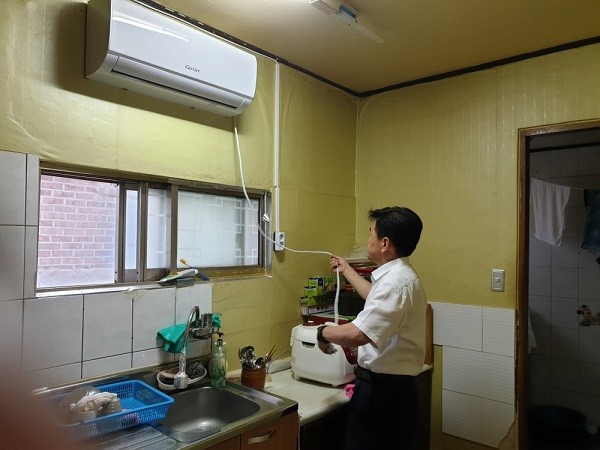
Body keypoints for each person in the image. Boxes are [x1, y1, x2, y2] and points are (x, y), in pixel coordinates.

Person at [317, 206, 427, 450]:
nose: (368, 240)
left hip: (383, 395)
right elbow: (375, 298)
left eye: (371, 233)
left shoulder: (393, 284)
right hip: (396, 391)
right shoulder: (403, 277)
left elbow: (358, 334)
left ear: (385, 243)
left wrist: (323, 333)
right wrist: (347, 270)